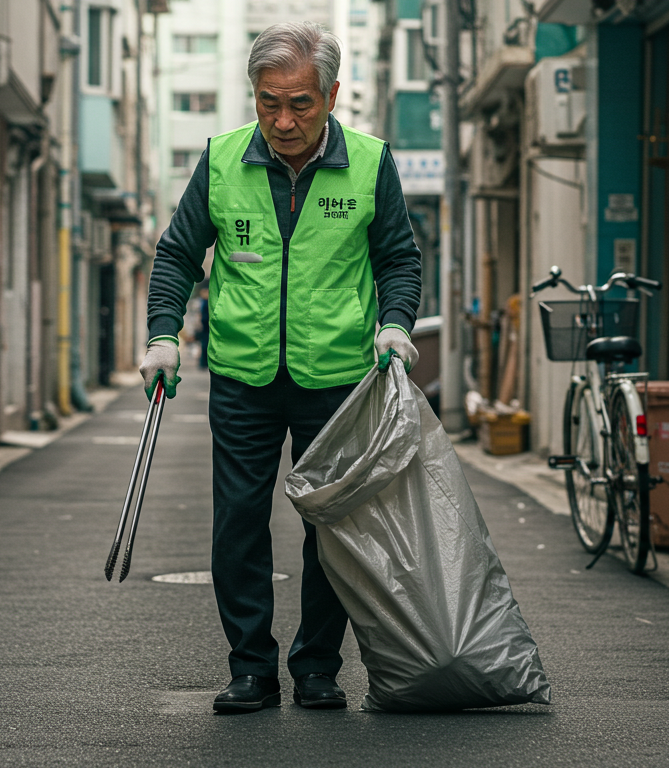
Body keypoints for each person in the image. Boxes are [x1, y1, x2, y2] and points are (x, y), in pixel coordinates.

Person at [140, 21, 422, 713]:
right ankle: (250, 669)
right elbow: (179, 254)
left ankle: (318, 666)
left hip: (338, 379)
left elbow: (399, 258)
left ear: (331, 94)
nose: (283, 120)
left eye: (300, 103)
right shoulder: (222, 157)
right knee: (238, 520)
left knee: (331, 527)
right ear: (254, 95)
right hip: (243, 374)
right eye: (269, 103)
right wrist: (163, 335)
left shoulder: (370, 161)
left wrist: (394, 325)